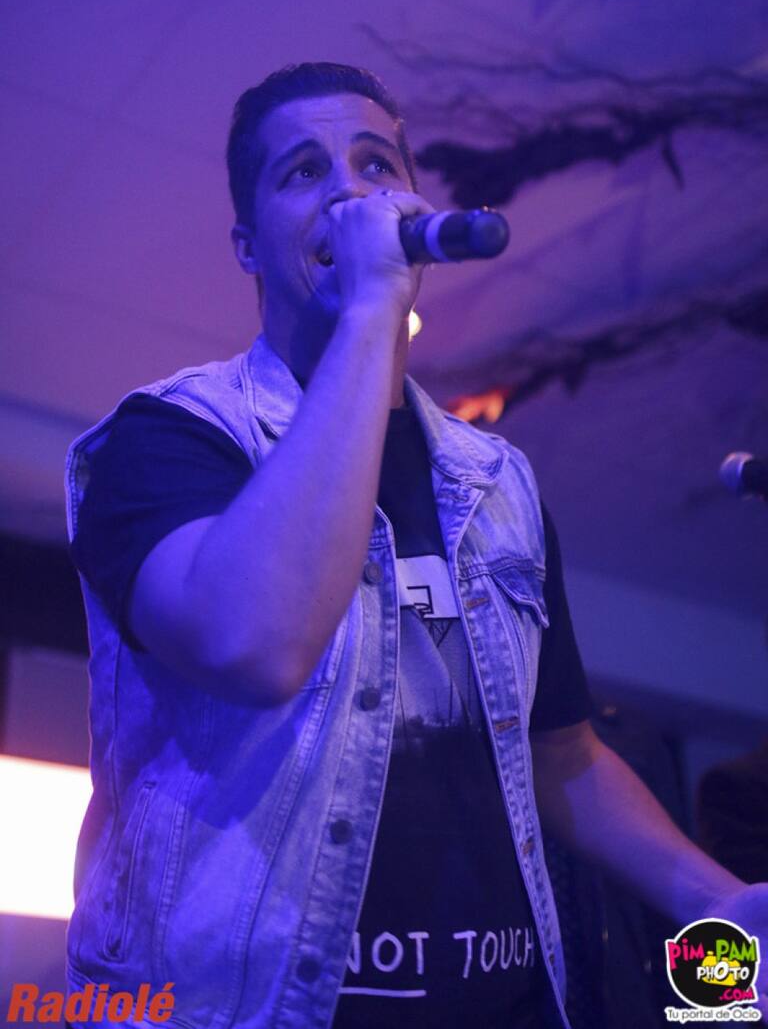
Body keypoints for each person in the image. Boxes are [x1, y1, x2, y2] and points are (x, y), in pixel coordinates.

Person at [65, 63, 767, 1029]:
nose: (350, 194)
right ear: (247, 245)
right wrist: (369, 312)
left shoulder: (498, 481)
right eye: (304, 172)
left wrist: (717, 900)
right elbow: (253, 642)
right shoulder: (171, 437)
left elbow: (560, 753)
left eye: (374, 164)